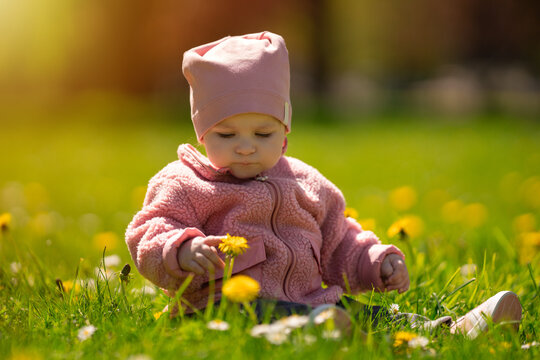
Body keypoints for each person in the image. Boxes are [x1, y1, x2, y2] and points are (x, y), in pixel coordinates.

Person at [125, 31, 521, 337]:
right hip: (219, 309)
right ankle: (318, 333)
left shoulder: (305, 183)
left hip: (312, 300)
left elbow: (339, 239)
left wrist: (374, 261)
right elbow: (148, 230)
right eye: (227, 136)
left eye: (262, 134)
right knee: (278, 314)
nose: (245, 148)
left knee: (362, 313)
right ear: (201, 135)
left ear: (284, 134)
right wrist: (180, 249)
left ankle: (444, 331)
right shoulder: (185, 182)